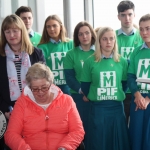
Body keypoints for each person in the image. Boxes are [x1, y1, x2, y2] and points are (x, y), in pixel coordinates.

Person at [4, 63, 85, 150]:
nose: (40, 92)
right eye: (35, 89)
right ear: (29, 87)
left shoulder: (67, 101)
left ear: (51, 84)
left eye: (44, 87)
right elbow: (11, 134)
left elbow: (77, 131)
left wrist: (65, 147)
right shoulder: (21, 104)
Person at [80, 27, 130, 150]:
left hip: (117, 108)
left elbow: (124, 84)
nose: (108, 42)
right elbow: (85, 87)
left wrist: (113, 94)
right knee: (98, 141)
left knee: (117, 142)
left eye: (111, 38)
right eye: (104, 39)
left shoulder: (122, 61)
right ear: (99, 41)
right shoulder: (90, 61)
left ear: (115, 41)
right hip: (98, 108)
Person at [0, 14, 45, 149]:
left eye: (15, 30)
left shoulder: (36, 53)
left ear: (22, 31)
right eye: (7, 31)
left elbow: (44, 83)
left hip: (34, 107)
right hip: (7, 111)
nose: (11, 34)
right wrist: (4, 110)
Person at [64, 21, 96, 149]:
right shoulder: (71, 54)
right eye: (80, 34)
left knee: (96, 129)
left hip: (97, 97)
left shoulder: (99, 51)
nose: (84, 37)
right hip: (79, 97)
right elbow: (70, 78)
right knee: (82, 129)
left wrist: (92, 93)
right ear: (77, 37)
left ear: (92, 34)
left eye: (87, 33)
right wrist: (84, 92)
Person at [116, 0, 143, 124]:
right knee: (122, 125)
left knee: (138, 126)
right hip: (120, 89)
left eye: (130, 14)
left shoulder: (142, 37)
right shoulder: (112, 37)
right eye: (123, 15)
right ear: (118, 17)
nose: (127, 18)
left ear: (134, 15)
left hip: (139, 90)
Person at [127, 14, 150, 150]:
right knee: (136, 137)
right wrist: (137, 95)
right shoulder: (136, 52)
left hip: (147, 100)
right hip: (138, 101)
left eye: (148, 28)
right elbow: (130, 76)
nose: (144, 32)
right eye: (141, 29)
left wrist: (148, 98)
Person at [38, 15, 73, 95]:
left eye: (54, 26)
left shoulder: (71, 44)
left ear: (60, 27)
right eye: (48, 27)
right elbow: (41, 71)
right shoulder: (42, 47)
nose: (51, 29)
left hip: (69, 87)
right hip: (51, 88)